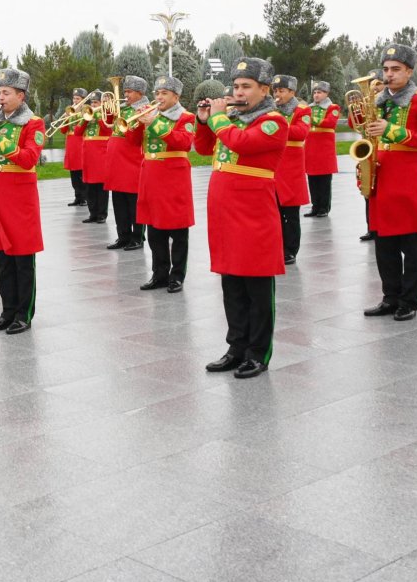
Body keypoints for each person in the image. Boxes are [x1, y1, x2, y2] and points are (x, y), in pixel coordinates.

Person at [194, 57, 285, 379]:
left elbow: (241, 143)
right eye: (235, 86)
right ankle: (236, 347)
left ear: (264, 89)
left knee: (257, 284)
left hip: (253, 211)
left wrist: (218, 118)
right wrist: (204, 120)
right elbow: (204, 149)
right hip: (225, 210)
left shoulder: (273, 121)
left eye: (247, 86)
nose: (239, 92)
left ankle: (258, 353)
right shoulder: (231, 118)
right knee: (231, 280)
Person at [362, 43, 417, 322]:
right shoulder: (378, 99)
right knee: (383, 244)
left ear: (409, 71)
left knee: (409, 243)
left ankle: (409, 300)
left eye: (396, 69)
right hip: (381, 175)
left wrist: (391, 130)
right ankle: (390, 296)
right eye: (386, 69)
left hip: (407, 178)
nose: (389, 75)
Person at [0, 69, 45, 333]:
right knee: (3, 260)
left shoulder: (33, 123)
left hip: (20, 198)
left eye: (5, 93)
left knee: (22, 259)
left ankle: (23, 314)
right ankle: (6, 312)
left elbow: (29, 158)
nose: (0, 97)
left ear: (20, 95)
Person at [131, 75, 195, 292]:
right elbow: (132, 141)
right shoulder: (151, 114)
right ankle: (159, 274)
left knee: (178, 230)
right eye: (157, 93)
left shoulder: (186, 117)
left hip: (173, 177)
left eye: (164, 93)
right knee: (154, 229)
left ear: (176, 96)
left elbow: (184, 142)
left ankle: (177, 276)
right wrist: (135, 123)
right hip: (150, 176)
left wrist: (155, 123)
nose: (159, 97)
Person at [105, 75, 148, 250]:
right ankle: (123, 235)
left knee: (134, 203)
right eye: (125, 91)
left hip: (132, 162)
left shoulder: (143, 109)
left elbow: (134, 139)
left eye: (129, 92)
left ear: (139, 92)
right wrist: (109, 110)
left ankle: (137, 237)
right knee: (119, 203)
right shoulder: (122, 109)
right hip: (116, 163)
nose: (126, 95)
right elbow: (108, 124)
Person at [272, 75, 310, 264]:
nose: (277, 94)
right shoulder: (271, 109)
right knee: (274, 211)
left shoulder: (302, 110)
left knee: (291, 214)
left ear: (292, 92)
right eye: (275, 91)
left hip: (291, 168)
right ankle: (277, 246)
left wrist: (278, 125)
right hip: (273, 167)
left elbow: (301, 132)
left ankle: (291, 250)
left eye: (281, 91)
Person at [302, 82, 338, 217]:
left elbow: (330, 122)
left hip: (324, 149)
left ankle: (324, 207)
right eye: (315, 92)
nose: (316, 95)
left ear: (326, 94)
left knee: (324, 181)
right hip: (311, 148)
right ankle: (315, 206)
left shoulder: (332, 107)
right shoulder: (309, 108)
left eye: (320, 92)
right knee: (312, 180)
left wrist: (310, 118)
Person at [79, 88, 111, 223]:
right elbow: (77, 132)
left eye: (96, 102)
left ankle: (102, 214)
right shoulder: (87, 114)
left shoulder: (107, 114)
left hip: (101, 153)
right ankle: (92, 213)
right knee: (89, 185)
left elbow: (107, 129)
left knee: (101, 186)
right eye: (92, 102)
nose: (93, 105)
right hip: (88, 154)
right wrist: (85, 119)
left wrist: (98, 117)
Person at [62, 88, 88, 206]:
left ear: (83, 100)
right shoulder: (70, 112)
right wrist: (66, 117)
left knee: (81, 173)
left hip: (80, 142)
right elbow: (63, 130)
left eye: (78, 99)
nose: (75, 100)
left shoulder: (86, 111)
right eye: (74, 98)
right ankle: (77, 197)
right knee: (73, 174)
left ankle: (84, 197)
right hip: (71, 144)